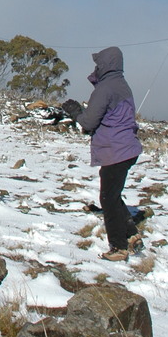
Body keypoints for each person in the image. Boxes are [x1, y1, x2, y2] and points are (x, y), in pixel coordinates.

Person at [63, 46, 143, 261]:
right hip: (127, 148)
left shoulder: (105, 88)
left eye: (99, 63)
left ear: (106, 64)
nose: (96, 67)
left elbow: (89, 122)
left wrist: (74, 113)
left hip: (115, 150)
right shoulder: (121, 85)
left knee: (107, 198)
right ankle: (132, 234)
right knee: (113, 195)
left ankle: (118, 248)